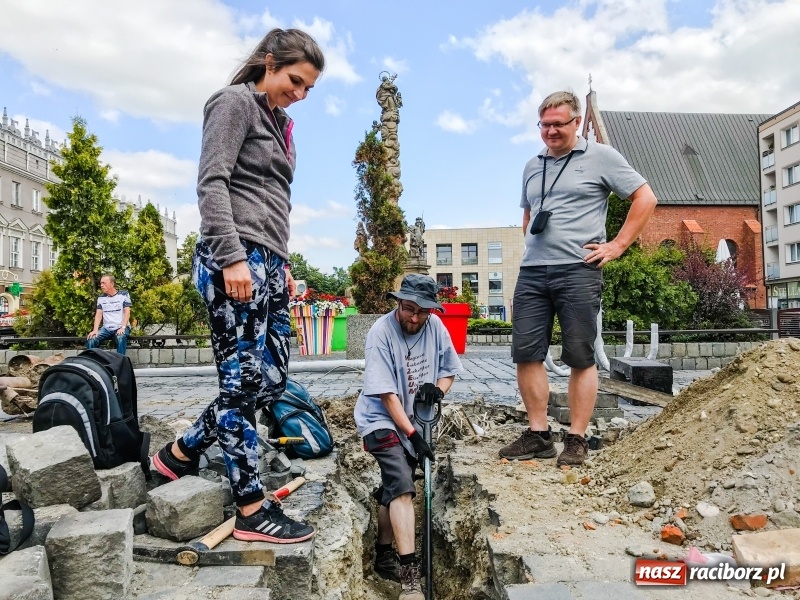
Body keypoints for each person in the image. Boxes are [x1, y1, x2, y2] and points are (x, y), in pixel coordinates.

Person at [151, 28, 324, 543]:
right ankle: (251, 509)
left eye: (309, 87)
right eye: (295, 80)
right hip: (235, 257)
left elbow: (274, 199)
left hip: (269, 262)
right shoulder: (233, 103)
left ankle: (177, 454)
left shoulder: (281, 123)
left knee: (269, 378)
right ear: (268, 63)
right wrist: (232, 256)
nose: (300, 93)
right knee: (240, 384)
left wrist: (283, 263)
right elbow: (212, 181)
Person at [501, 91, 657, 467]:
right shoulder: (531, 165)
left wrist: (617, 245)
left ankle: (576, 437)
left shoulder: (601, 157)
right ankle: (539, 434)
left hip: (578, 270)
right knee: (526, 352)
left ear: (576, 122)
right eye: (545, 124)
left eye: (559, 123)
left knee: (580, 356)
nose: (551, 131)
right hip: (534, 271)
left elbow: (645, 197)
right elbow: (530, 213)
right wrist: (531, 247)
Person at [354, 274, 463, 600]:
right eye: (408, 309)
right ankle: (410, 580)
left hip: (415, 420)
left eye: (422, 312)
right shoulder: (380, 333)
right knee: (403, 484)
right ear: (398, 303)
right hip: (380, 420)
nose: (414, 318)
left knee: (394, 487)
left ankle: (385, 552)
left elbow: (449, 370)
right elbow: (387, 396)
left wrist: (437, 391)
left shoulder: (436, 329)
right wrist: (414, 436)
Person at [86, 274, 131, 355]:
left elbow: (127, 312)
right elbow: (98, 314)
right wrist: (95, 330)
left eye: (104, 283)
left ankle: (120, 364)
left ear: (112, 284)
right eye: (101, 283)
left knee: (120, 337)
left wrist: (123, 327)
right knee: (92, 339)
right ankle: (93, 364)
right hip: (106, 328)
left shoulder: (124, 294)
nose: (102, 285)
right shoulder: (101, 298)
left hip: (121, 327)